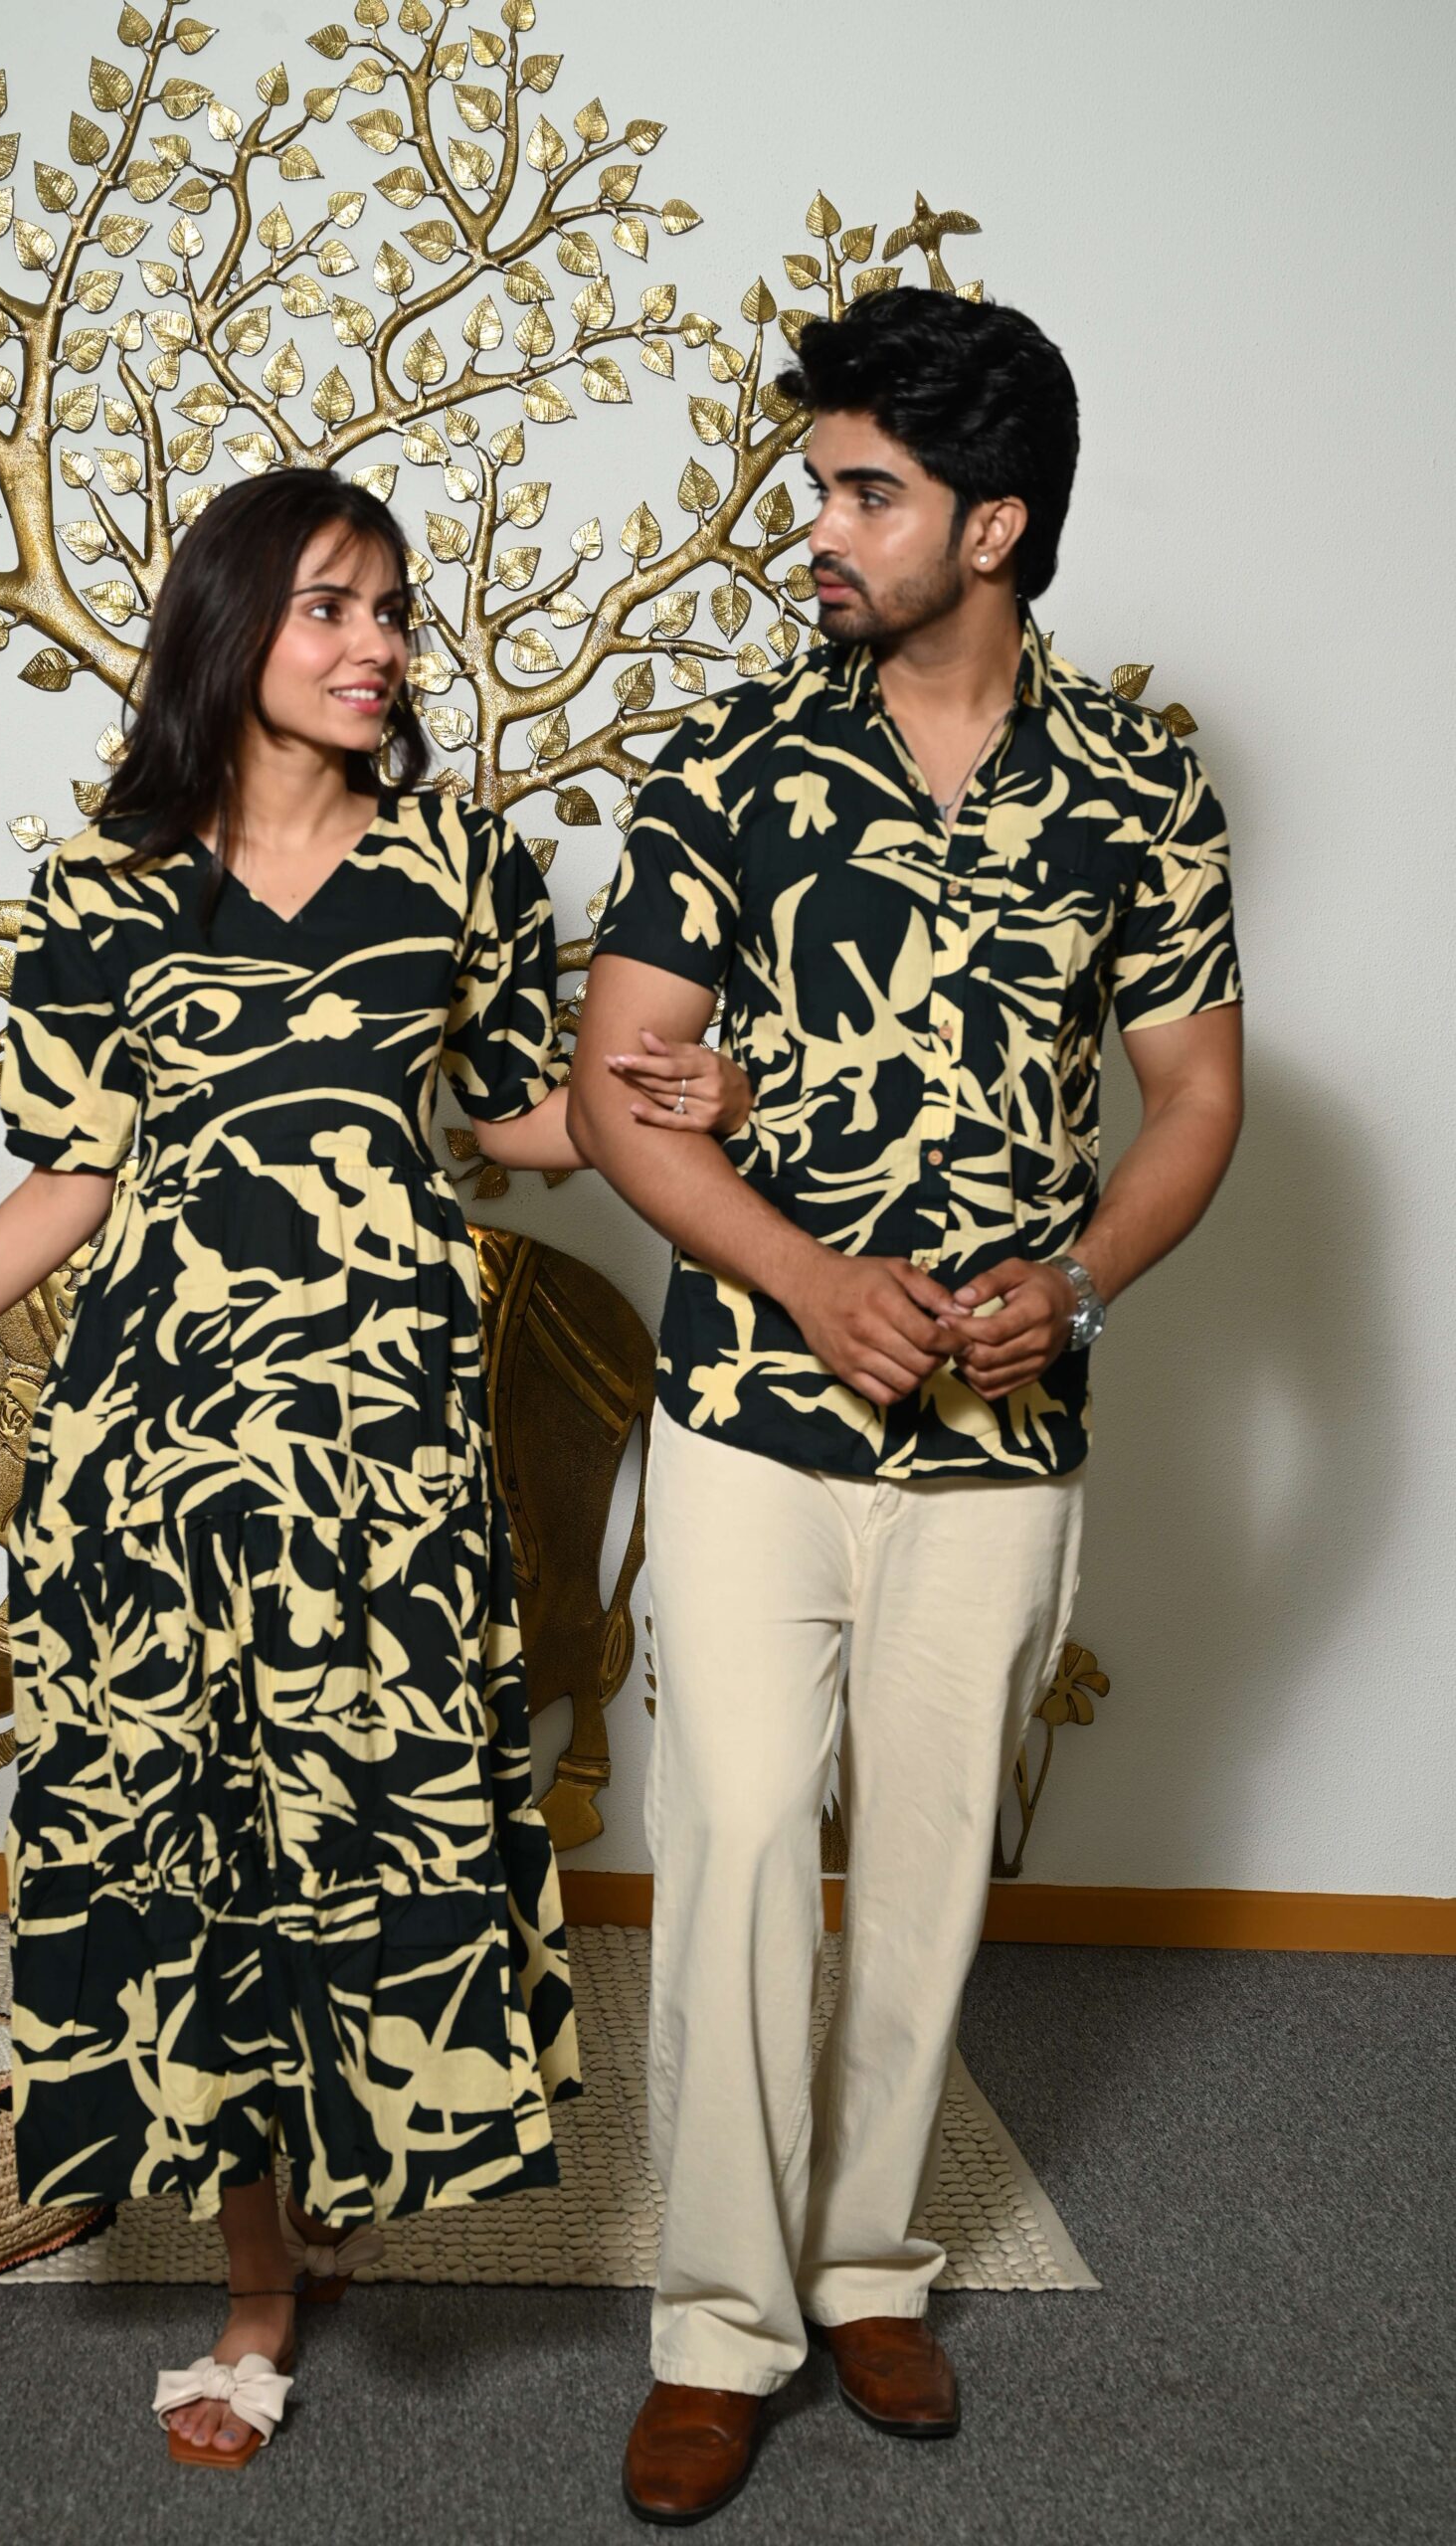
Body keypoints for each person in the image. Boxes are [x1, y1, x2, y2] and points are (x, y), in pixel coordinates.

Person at [0, 467, 748, 2466]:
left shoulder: (460, 862)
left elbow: (511, 1117)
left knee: (378, 1829)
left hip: (385, 1442)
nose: (380, 644)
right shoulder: (108, 889)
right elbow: (69, 1178)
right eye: (331, 605)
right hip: (158, 1448)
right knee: (196, 1848)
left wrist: (685, 1099)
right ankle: (254, 2289)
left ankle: (349, 2169)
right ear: (235, 628)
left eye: (394, 609)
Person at [570, 288, 1244, 2523]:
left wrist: (1081, 1278)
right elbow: (621, 1087)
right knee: (745, 1847)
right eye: (823, 484)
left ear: (995, 521)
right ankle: (715, 2325)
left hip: (1005, 1442)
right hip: (750, 1419)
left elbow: (1193, 1096)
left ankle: (868, 2264)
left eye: (869, 491)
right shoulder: (732, 761)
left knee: (933, 1867)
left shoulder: (1140, 786)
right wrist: (804, 1275)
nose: (823, 527)